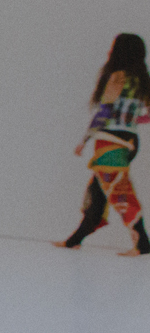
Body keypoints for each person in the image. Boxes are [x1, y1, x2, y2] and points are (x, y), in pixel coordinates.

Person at [60, 32, 150, 255]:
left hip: (110, 140)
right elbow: (146, 116)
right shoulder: (143, 80)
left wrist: (85, 139)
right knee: (98, 190)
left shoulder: (117, 76)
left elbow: (104, 112)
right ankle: (74, 240)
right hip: (130, 140)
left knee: (120, 192)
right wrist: (130, 119)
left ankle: (142, 244)